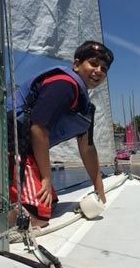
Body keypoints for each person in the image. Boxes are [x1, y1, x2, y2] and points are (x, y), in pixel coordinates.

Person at [7, 40, 114, 227]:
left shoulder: (85, 106)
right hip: (9, 144)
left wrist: (99, 188)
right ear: (76, 64)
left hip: (26, 150)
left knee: (51, 204)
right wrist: (47, 178)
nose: (99, 71)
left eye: (104, 69)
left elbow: (87, 148)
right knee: (38, 217)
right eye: (93, 64)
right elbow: (38, 129)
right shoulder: (64, 85)